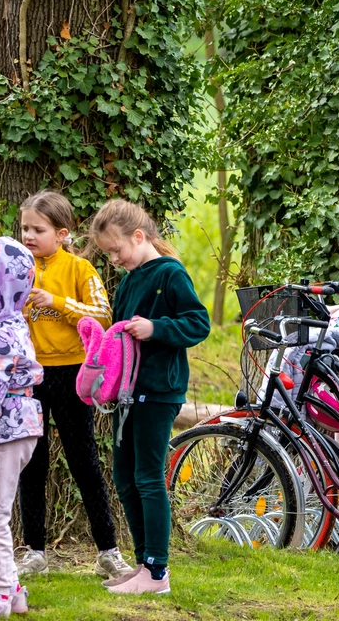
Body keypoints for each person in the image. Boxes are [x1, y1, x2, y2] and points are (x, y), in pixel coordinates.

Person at [87, 200, 211, 595]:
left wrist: (156, 328)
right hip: (127, 394)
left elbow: (198, 323)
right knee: (124, 478)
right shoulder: (128, 281)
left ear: (138, 236)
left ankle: (157, 572)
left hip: (158, 392)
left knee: (148, 477)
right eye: (108, 253)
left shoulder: (170, 274)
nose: (114, 259)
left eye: (116, 250)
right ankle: (142, 565)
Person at [15, 191, 134, 581]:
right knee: (31, 464)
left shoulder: (80, 269)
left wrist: (58, 301)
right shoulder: (16, 267)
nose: (29, 236)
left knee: (84, 462)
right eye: (25, 228)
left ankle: (108, 552)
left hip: (71, 374)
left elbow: (103, 315)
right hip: (28, 375)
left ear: (62, 233)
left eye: (38, 229)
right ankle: (35, 552)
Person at [0, 238, 44, 617]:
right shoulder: (15, 321)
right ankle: (13, 591)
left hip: (8, 429)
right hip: (21, 428)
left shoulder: (2, 332)